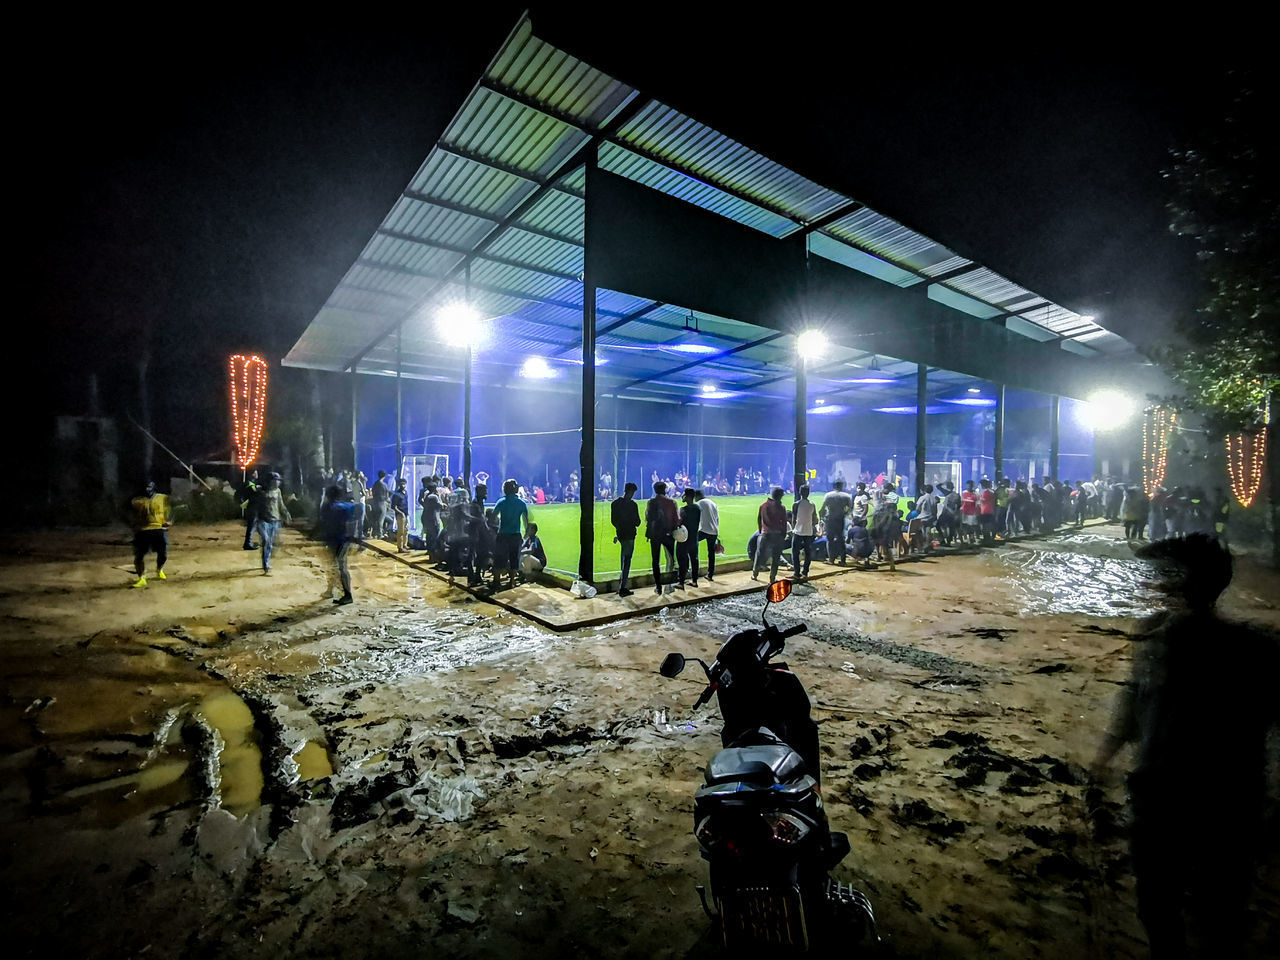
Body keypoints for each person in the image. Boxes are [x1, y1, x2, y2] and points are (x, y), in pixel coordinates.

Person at [1095, 535, 1278, 958]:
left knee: (1188, 912)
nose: (1150, 584)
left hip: (1203, 802)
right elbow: (1134, 701)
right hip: (1198, 800)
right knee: (1184, 911)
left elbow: (1134, 704)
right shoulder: (1160, 636)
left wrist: (1105, 757)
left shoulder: (1251, 650)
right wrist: (1104, 757)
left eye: (1162, 575)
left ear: (1185, 582)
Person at [320, 484, 361, 605]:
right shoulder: (345, 507)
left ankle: (347, 595)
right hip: (343, 540)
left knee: (339, 567)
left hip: (336, 541)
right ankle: (335, 591)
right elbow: (354, 520)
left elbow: (323, 523)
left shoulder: (328, 507)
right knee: (339, 566)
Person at [129, 480, 171, 588]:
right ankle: (141, 578)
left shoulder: (162, 498)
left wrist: (169, 521)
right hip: (143, 530)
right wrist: (132, 525)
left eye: (149, 487)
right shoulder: (136, 501)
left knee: (163, 553)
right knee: (139, 555)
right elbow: (125, 513)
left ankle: (159, 569)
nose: (147, 489)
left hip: (158, 528)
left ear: (154, 487)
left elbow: (170, 510)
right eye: (145, 487)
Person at [493, 478, 529, 589]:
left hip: (502, 534)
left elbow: (493, 517)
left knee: (499, 558)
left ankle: (497, 581)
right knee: (514, 559)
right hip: (515, 535)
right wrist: (525, 535)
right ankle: (512, 581)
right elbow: (526, 522)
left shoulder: (501, 502)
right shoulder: (521, 503)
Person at [645, 481, 679, 595]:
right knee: (671, 559)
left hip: (655, 534)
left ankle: (658, 586)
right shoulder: (671, 502)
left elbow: (648, 518)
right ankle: (669, 586)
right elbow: (676, 519)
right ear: (665, 489)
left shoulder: (651, 502)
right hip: (668, 534)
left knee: (655, 561)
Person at [255, 473, 291, 575]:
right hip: (263, 520)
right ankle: (266, 565)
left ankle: (266, 563)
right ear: (270, 481)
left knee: (269, 544)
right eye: (275, 480)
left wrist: (286, 514)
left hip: (275, 520)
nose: (277, 482)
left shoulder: (278, 491)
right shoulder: (261, 491)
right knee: (266, 540)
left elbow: (281, 504)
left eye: (278, 480)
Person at [610, 482, 641, 598]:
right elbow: (637, 522)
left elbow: (613, 521)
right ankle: (623, 587)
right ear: (630, 492)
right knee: (627, 560)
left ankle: (622, 584)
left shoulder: (615, 504)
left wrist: (620, 527)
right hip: (630, 535)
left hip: (621, 534)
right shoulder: (633, 505)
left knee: (623, 558)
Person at [752, 487, 788, 583]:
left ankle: (755, 574)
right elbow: (784, 523)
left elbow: (759, 519)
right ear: (780, 496)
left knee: (759, 554)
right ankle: (772, 578)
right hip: (777, 535)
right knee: (775, 557)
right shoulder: (781, 507)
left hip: (765, 533)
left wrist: (760, 531)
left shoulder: (763, 505)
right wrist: (783, 534)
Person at [820, 480, 853, 565]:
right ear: (842, 486)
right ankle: (843, 560)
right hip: (840, 518)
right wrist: (845, 513)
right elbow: (850, 508)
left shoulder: (828, 495)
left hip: (830, 518)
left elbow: (823, 508)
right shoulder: (846, 496)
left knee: (830, 539)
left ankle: (831, 559)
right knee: (841, 539)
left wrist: (822, 516)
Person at [790, 484, 817, 580]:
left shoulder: (796, 504)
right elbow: (815, 519)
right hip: (808, 532)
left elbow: (793, 519)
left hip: (798, 531)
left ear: (800, 492)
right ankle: (805, 572)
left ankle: (796, 573)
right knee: (808, 553)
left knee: (795, 552)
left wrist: (794, 528)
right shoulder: (812, 504)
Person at [676, 489, 701, 588]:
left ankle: (681, 582)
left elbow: (679, 522)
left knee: (681, 559)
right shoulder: (698, 508)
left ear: (688, 497)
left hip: (684, 538)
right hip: (694, 537)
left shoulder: (683, 510)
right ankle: (694, 581)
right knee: (694, 559)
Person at [695, 488, 720, 582]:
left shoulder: (699, 503)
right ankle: (710, 574)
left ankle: (694, 570)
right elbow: (717, 518)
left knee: (692, 545)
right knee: (711, 553)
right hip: (714, 530)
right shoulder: (713, 503)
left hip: (704, 529)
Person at [872, 482, 899, 571]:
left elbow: (892, 506)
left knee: (884, 542)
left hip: (884, 521)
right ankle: (881, 556)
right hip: (881, 520)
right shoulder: (879, 495)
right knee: (880, 541)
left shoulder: (891, 497)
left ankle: (885, 559)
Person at [238, 469, 261, 550]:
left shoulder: (251, 483)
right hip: (252, 507)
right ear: (252, 474)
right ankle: (248, 543)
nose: (257, 474)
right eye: (255, 472)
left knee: (252, 526)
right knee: (251, 526)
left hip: (252, 507)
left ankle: (249, 542)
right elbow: (255, 492)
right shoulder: (250, 484)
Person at [391, 477, 411, 553]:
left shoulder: (406, 493)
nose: (403, 485)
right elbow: (393, 506)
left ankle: (405, 545)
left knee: (406, 530)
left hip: (406, 514)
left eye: (404, 484)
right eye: (401, 484)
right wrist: (400, 512)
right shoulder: (396, 494)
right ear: (399, 485)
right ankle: (400, 547)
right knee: (401, 531)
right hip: (400, 515)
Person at [978, 479, 996, 545]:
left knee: (984, 526)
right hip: (991, 511)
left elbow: (982, 501)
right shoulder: (992, 492)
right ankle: (989, 539)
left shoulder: (986, 492)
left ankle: (986, 539)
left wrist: (979, 498)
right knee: (988, 526)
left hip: (985, 511)